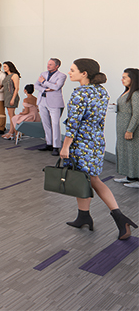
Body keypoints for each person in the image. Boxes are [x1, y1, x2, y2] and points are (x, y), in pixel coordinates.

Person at [60, 58, 136, 240]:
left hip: (80, 144)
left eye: (72, 70)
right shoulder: (102, 91)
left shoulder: (79, 94)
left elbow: (73, 124)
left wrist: (65, 146)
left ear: (84, 73)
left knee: (90, 179)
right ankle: (83, 216)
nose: (69, 72)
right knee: (85, 179)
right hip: (95, 141)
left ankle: (119, 216)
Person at [35, 58, 67, 155]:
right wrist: (46, 89)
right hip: (42, 100)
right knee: (46, 123)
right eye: (48, 64)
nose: (48, 66)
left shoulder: (62, 76)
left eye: (51, 64)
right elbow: (36, 85)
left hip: (54, 103)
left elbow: (57, 87)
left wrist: (44, 82)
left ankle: (56, 146)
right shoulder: (43, 73)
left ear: (57, 66)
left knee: (55, 124)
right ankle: (48, 143)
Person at [114, 68, 139, 188]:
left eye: (125, 77)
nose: (122, 79)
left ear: (132, 79)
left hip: (131, 129)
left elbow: (137, 114)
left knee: (134, 154)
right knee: (127, 152)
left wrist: (130, 130)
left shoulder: (136, 94)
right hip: (122, 127)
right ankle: (130, 176)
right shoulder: (127, 92)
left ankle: (137, 179)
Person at [1, 61, 21, 139]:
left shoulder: (14, 75)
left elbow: (16, 88)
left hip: (11, 96)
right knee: (10, 115)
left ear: (9, 66)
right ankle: (12, 132)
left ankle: (13, 132)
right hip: (6, 96)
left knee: (12, 115)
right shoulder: (7, 76)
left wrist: (13, 98)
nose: (4, 68)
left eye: (5, 66)